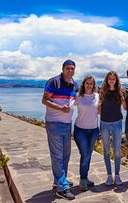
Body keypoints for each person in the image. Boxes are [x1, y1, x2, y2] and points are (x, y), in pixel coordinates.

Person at [41, 59, 78, 200]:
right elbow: (44, 100)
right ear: (63, 69)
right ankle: (62, 188)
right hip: (54, 123)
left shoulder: (74, 85)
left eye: (72, 68)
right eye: (68, 68)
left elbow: (78, 99)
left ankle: (59, 180)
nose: (70, 71)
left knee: (65, 155)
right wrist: (60, 108)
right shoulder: (53, 82)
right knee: (57, 156)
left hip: (67, 124)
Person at [99, 71, 126, 186]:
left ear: (116, 80)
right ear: (107, 79)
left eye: (113, 79)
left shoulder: (120, 92)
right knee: (106, 151)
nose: (111, 80)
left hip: (117, 124)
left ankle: (117, 176)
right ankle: (109, 176)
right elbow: (98, 107)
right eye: (109, 78)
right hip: (104, 123)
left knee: (117, 151)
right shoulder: (102, 92)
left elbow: (125, 107)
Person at [73, 75, 100, 191]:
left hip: (94, 130)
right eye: (87, 83)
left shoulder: (97, 96)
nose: (89, 85)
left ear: (94, 85)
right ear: (83, 84)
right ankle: (83, 180)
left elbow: (100, 110)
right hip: (80, 130)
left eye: (91, 83)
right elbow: (68, 105)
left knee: (88, 154)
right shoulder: (78, 96)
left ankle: (85, 177)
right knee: (85, 154)